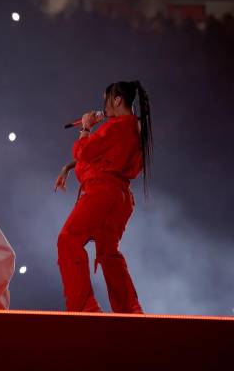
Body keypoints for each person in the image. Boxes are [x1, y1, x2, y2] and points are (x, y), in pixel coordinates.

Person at [54, 81, 152, 313]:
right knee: (108, 253)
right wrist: (69, 167)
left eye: (106, 99)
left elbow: (85, 151)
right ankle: (129, 309)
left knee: (68, 239)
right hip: (120, 198)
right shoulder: (132, 128)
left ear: (117, 100)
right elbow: (106, 160)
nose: (104, 106)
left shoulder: (117, 127)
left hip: (103, 193)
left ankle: (84, 307)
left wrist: (86, 128)